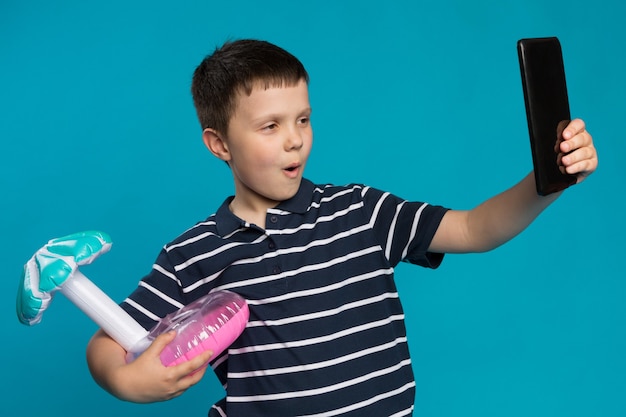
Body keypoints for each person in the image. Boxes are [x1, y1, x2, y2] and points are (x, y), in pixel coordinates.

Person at [85, 39, 598, 416]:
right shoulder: (192, 254)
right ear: (219, 144)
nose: (295, 141)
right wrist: (131, 383)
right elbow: (105, 345)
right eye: (270, 126)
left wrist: (546, 182)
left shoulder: (360, 210)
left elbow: (475, 229)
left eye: (303, 120)